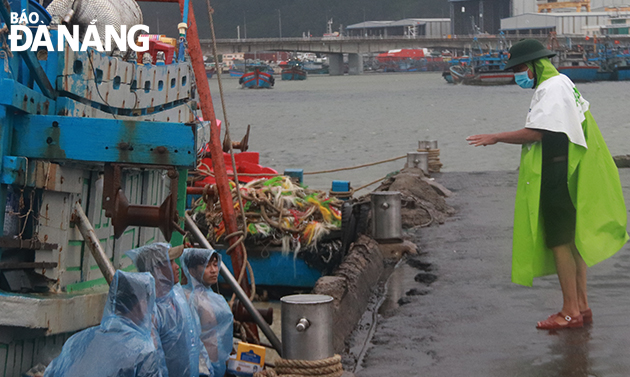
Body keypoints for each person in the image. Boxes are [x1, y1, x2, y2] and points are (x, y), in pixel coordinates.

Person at [466, 39, 628, 330]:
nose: (517, 74)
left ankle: (569, 312)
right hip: (569, 171)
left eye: (519, 68)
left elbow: (537, 133)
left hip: (557, 174)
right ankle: (581, 305)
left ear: (533, 65)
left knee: (559, 243)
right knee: (572, 243)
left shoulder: (551, 88)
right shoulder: (563, 83)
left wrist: (496, 136)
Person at [44, 271, 165, 377]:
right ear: (141, 303)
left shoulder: (75, 341)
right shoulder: (144, 351)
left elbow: (51, 373)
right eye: (147, 300)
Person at [126, 243, 204, 377]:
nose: (177, 266)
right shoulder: (150, 310)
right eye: (171, 262)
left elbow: (194, 337)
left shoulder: (177, 296)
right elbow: (154, 363)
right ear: (157, 269)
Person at [182, 248, 234, 377]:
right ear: (192, 270)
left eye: (215, 265)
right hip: (202, 368)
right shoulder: (189, 298)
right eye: (206, 265)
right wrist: (202, 368)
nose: (213, 270)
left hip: (218, 364)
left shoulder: (213, 297)